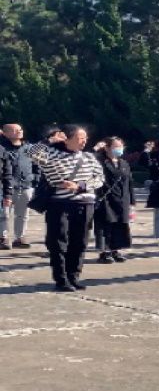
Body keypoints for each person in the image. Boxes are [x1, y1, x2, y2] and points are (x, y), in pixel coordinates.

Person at [29, 125, 105, 292]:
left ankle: (74, 276)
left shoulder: (89, 157)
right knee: (58, 242)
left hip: (85, 204)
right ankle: (61, 279)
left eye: (85, 138)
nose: (84, 141)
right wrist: (48, 141)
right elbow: (31, 153)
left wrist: (80, 186)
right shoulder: (52, 154)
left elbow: (99, 179)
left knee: (80, 242)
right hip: (59, 204)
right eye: (80, 138)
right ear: (67, 139)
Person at [92, 137, 135, 263]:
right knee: (106, 225)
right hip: (106, 199)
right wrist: (95, 149)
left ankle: (116, 250)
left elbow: (129, 183)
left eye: (121, 146)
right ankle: (105, 252)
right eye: (116, 146)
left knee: (120, 225)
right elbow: (88, 161)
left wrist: (132, 201)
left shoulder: (124, 163)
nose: (119, 149)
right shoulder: (100, 161)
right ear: (107, 148)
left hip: (122, 199)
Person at [0, 122, 36, 250]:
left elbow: (37, 165)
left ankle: (20, 237)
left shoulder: (29, 148)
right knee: (4, 214)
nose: (19, 132)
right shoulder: (2, 148)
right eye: (14, 130)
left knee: (23, 214)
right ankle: (3, 237)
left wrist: (34, 179)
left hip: (25, 185)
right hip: (5, 186)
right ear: (5, 133)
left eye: (20, 129)